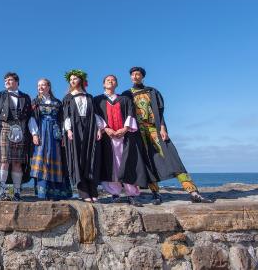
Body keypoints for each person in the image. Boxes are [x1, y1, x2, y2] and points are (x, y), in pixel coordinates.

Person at [122, 67, 213, 204]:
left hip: (154, 129)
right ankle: (156, 194)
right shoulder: (126, 94)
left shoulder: (152, 91)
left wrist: (163, 128)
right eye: (133, 74)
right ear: (130, 77)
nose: (135, 76)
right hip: (137, 133)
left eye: (138, 74)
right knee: (148, 162)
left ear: (142, 76)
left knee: (173, 159)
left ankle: (193, 192)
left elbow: (159, 112)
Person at [94, 75, 149, 206]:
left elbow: (131, 113)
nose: (110, 82)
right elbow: (96, 116)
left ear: (116, 84)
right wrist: (106, 129)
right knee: (111, 165)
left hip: (125, 136)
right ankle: (115, 193)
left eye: (113, 80)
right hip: (108, 137)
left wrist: (125, 129)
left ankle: (131, 194)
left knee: (128, 163)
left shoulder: (124, 99)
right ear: (103, 84)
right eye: (108, 80)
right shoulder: (97, 100)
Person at [0, 72, 32, 201]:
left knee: (17, 162)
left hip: (21, 128)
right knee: (3, 160)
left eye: (10, 80)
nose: (7, 81)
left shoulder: (25, 97)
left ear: (17, 82)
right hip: (3, 127)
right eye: (6, 80)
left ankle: (17, 192)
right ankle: (1, 192)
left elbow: (29, 116)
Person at [29, 78, 72, 200]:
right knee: (42, 159)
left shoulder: (57, 102)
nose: (40, 87)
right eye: (38, 85)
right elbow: (32, 119)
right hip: (41, 132)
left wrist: (63, 135)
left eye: (43, 85)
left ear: (49, 87)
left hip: (55, 133)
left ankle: (56, 193)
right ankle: (42, 192)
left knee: (56, 158)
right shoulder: (35, 102)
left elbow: (63, 119)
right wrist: (34, 134)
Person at [62, 69, 102, 202]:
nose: (73, 81)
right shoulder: (68, 97)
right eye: (71, 79)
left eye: (75, 78)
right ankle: (83, 192)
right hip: (75, 128)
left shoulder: (89, 97)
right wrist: (68, 130)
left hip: (90, 127)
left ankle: (93, 190)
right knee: (78, 158)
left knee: (91, 157)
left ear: (81, 80)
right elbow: (66, 116)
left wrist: (98, 129)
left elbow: (96, 115)